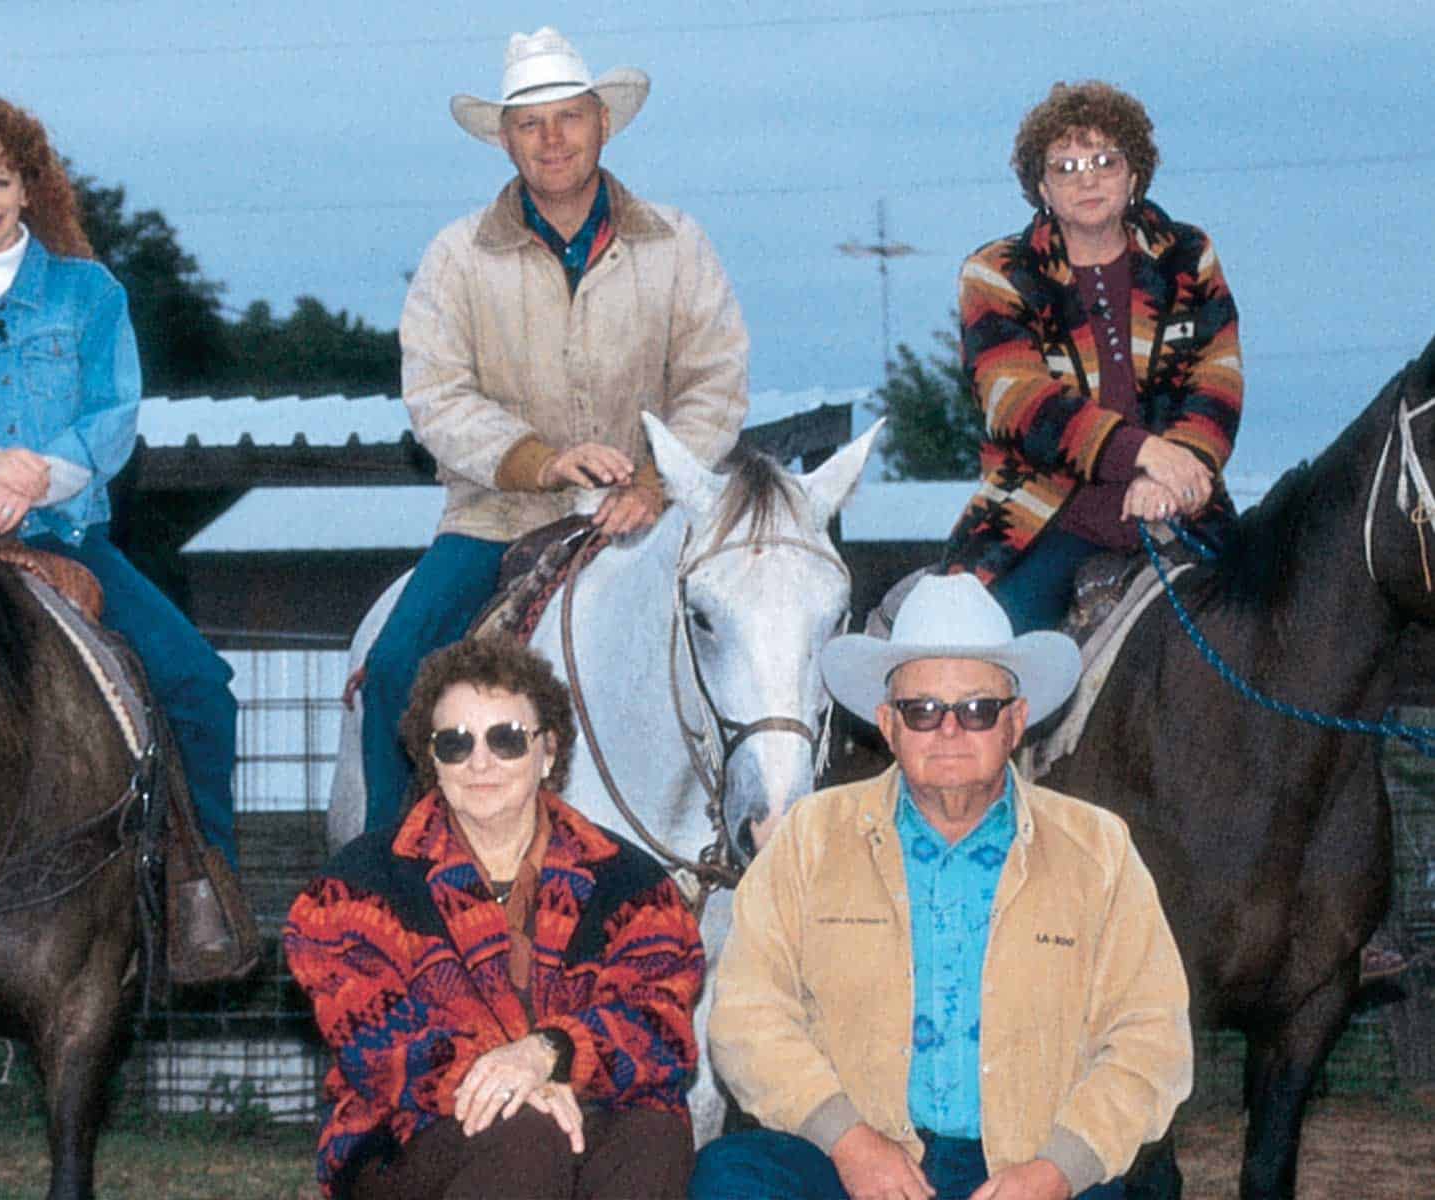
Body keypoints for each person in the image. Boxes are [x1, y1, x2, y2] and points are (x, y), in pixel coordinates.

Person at [360, 25, 751, 836]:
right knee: (396, 670)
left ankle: (758, 845)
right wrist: (538, 461)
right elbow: (436, 393)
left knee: (759, 650)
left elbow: (714, 380)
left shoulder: (677, 245)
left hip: (652, 515)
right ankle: (387, 872)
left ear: (603, 123)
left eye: (569, 116)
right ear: (505, 140)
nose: (552, 138)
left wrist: (654, 482)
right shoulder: (456, 257)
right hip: (495, 519)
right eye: (530, 123)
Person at [691, 574, 1192, 1200]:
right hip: (853, 1157)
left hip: (1030, 1165)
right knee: (730, 1177)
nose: (949, 730)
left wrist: (1057, 1170)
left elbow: (1151, 1037)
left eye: (977, 710)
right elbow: (746, 1015)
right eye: (922, 710)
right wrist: (850, 1142)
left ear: (1015, 722)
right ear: (888, 724)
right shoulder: (808, 840)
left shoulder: (1099, 850)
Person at [0, 91, 239, 865]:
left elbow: (111, 419)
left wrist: (28, 483)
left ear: (29, 188)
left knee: (198, 687)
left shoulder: (90, 293)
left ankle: (207, 886)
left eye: (0, 180)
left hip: (66, 535)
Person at [287, 636, 705, 1199]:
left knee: (655, 1138)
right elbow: (378, 1044)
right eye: (455, 743)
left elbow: (659, 1027)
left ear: (548, 751)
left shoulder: (633, 884)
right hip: (409, 1136)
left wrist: (547, 1055)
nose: (480, 762)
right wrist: (512, 1081)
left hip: (579, 1108)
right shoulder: (355, 888)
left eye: (506, 739)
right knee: (525, 1135)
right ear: (432, 759)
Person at [943, 81, 1242, 635]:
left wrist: (1173, 472)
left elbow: (1217, 382)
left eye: (1105, 161)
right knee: (979, 652)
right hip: (1039, 520)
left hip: (1186, 509)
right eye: (1066, 167)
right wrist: (1145, 453)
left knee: (1278, 637)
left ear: (1135, 175)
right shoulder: (998, 273)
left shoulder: (1188, 256)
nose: (1087, 179)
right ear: (1042, 188)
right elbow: (1019, 402)